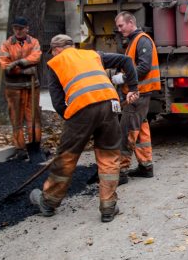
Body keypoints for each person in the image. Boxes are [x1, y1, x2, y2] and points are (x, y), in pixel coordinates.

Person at [29, 34, 139, 222]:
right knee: (109, 156)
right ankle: (108, 206)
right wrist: (134, 88)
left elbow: (58, 102)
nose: (53, 55)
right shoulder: (93, 55)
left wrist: (74, 124)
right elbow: (127, 60)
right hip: (109, 104)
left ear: (56, 49)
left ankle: (48, 202)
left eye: (52, 52)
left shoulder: (55, 63)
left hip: (81, 108)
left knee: (67, 156)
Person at [114, 11, 161, 179]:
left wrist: (123, 78)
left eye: (121, 25)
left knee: (127, 131)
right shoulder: (134, 41)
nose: (119, 30)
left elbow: (143, 67)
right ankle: (146, 167)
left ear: (130, 23)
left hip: (137, 94)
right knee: (141, 130)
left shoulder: (142, 40)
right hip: (139, 93)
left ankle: (121, 172)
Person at [0, 17, 44, 163]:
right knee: (16, 118)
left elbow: (36, 57)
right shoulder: (6, 45)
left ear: (26, 29)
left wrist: (18, 62)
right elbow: (5, 65)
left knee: (33, 117)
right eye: (15, 28)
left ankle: (35, 145)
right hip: (14, 87)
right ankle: (20, 148)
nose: (18, 31)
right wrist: (23, 70)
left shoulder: (34, 42)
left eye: (20, 28)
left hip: (32, 86)